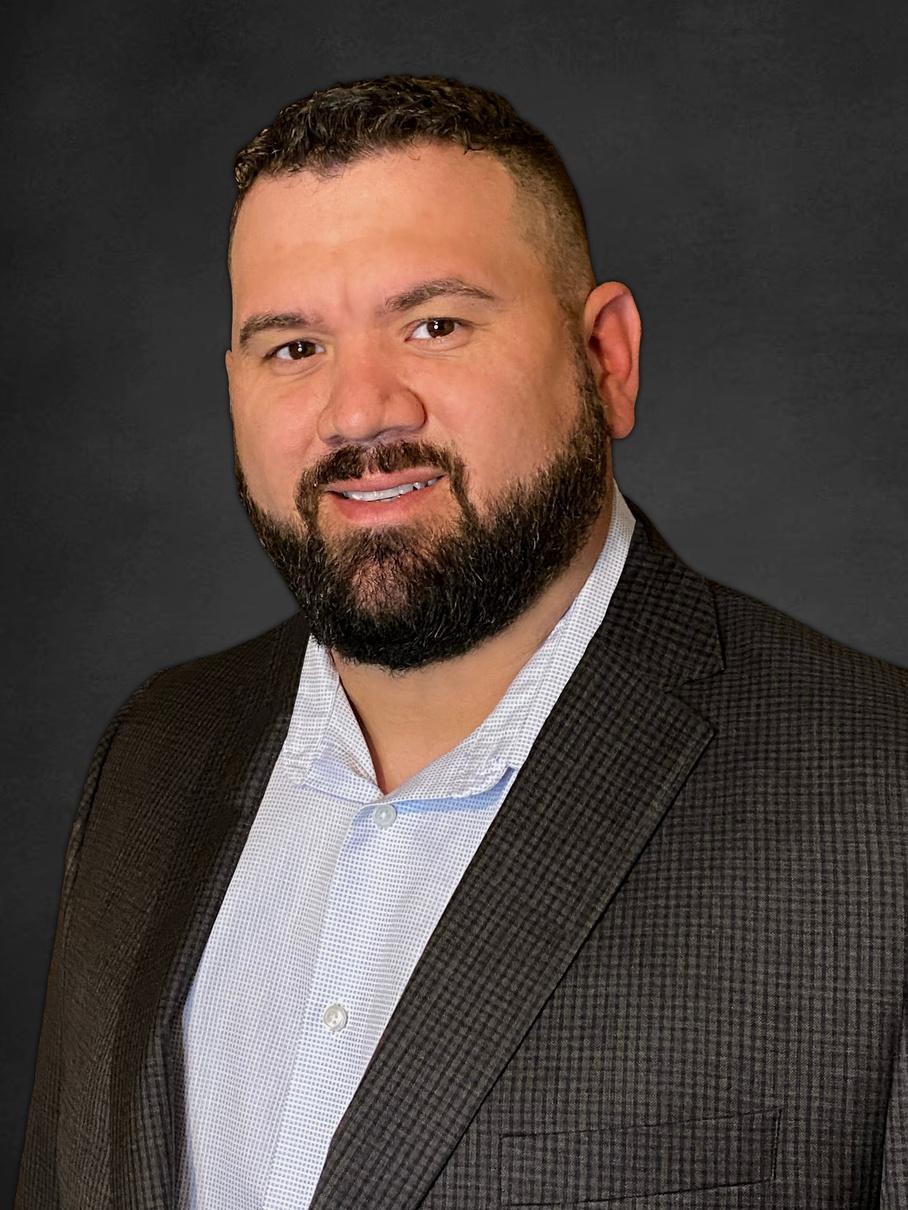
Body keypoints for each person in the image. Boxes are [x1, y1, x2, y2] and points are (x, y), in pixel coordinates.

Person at [16, 74, 908, 1210]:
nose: (358, 412)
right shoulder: (152, 753)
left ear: (605, 358)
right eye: (293, 346)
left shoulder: (879, 801)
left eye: (434, 325)